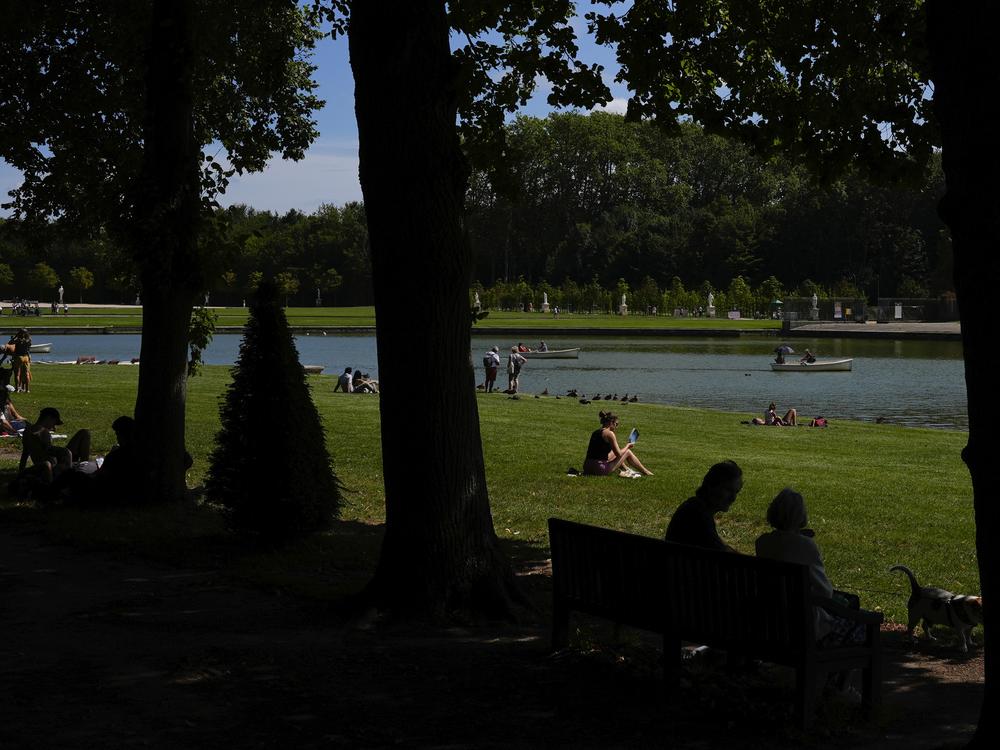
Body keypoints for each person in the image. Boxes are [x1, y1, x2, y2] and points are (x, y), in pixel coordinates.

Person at [755, 488, 868, 694]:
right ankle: (839, 687)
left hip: (772, 623)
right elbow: (825, 592)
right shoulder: (806, 546)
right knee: (861, 625)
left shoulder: (762, 543)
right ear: (801, 517)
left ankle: (831, 684)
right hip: (804, 626)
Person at [665, 460, 743, 551]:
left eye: (736, 492)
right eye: (728, 490)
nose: (733, 498)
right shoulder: (699, 516)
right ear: (711, 486)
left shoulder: (692, 507)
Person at [18, 407, 92, 481]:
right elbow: (50, 455)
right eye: (54, 423)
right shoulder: (43, 432)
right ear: (49, 418)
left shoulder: (27, 432)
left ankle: (84, 466)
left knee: (83, 433)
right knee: (85, 433)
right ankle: (84, 468)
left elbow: (25, 454)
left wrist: (21, 473)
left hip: (49, 466)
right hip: (57, 467)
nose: (54, 428)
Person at [582, 410, 652, 477]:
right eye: (616, 424)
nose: (617, 427)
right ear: (611, 422)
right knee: (627, 452)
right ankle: (646, 472)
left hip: (587, 467)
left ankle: (626, 469)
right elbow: (619, 454)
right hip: (599, 469)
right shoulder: (609, 433)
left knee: (613, 452)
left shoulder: (596, 432)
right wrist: (628, 446)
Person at [8, 328, 32, 393]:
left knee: (17, 374)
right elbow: (29, 347)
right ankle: (27, 389)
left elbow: (9, 343)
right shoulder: (29, 340)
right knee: (26, 373)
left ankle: (17, 389)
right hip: (26, 357)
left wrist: (16, 336)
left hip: (19, 357)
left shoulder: (18, 340)